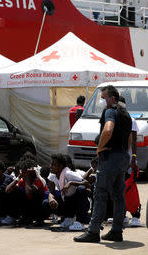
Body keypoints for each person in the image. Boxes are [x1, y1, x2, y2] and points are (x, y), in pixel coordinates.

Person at [74, 85, 132, 243]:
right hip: (121, 157)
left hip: (110, 157)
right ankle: (117, 231)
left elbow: (108, 130)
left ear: (113, 98)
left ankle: (93, 232)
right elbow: (129, 139)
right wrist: (125, 154)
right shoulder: (125, 114)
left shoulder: (110, 111)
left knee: (100, 194)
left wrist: (100, 149)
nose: (101, 101)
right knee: (119, 195)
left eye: (104, 97)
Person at [44, 154, 90, 231]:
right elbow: (51, 191)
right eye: (50, 164)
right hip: (67, 201)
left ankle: (79, 221)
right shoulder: (52, 175)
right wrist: (51, 199)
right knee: (46, 203)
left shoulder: (68, 173)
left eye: (53, 164)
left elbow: (86, 183)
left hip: (80, 203)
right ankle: (69, 218)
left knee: (81, 189)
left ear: (60, 166)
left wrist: (71, 183)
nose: (50, 166)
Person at [5, 159, 47, 226]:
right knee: (15, 192)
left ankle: (39, 219)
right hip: (29, 207)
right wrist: (18, 177)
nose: (23, 174)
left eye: (25, 172)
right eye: (23, 172)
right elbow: (7, 190)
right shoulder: (22, 180)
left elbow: (29, 193)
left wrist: (27, 177)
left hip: (41, 208)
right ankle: (26, 217)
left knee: (35, 195)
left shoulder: (39, 180)